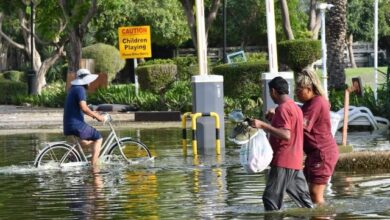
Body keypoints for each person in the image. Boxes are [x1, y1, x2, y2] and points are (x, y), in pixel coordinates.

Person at [250, 76, 313, 211]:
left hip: (283, 161)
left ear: (273, 91)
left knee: (270, 199)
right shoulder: (295, 108)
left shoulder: (283, 109)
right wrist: (274, 119)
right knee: (306, 203)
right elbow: (293, 128)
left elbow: (286, 135)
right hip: (295, 161)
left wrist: (262, 125)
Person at [295, 68, 339, 205]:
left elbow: (302, 124)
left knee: (315, 194)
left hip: (322, 153)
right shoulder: (309, 104)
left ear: (309, 88)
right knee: (309, 193)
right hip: (315, 153)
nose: (296, 92)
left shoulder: (317, 102)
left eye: (299, 89)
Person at [63, 68, 105, 166]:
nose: (90, 83)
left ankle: (73, 155)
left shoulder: (73, 89)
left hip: (68, 125)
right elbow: (84, 108)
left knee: (85, 143)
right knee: (98, 138)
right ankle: (94, 167)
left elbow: (83, 108)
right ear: (85, 81)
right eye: (89, 81)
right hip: (76, 125)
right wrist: (98, 117)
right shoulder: (80, 89)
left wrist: (95, 113)